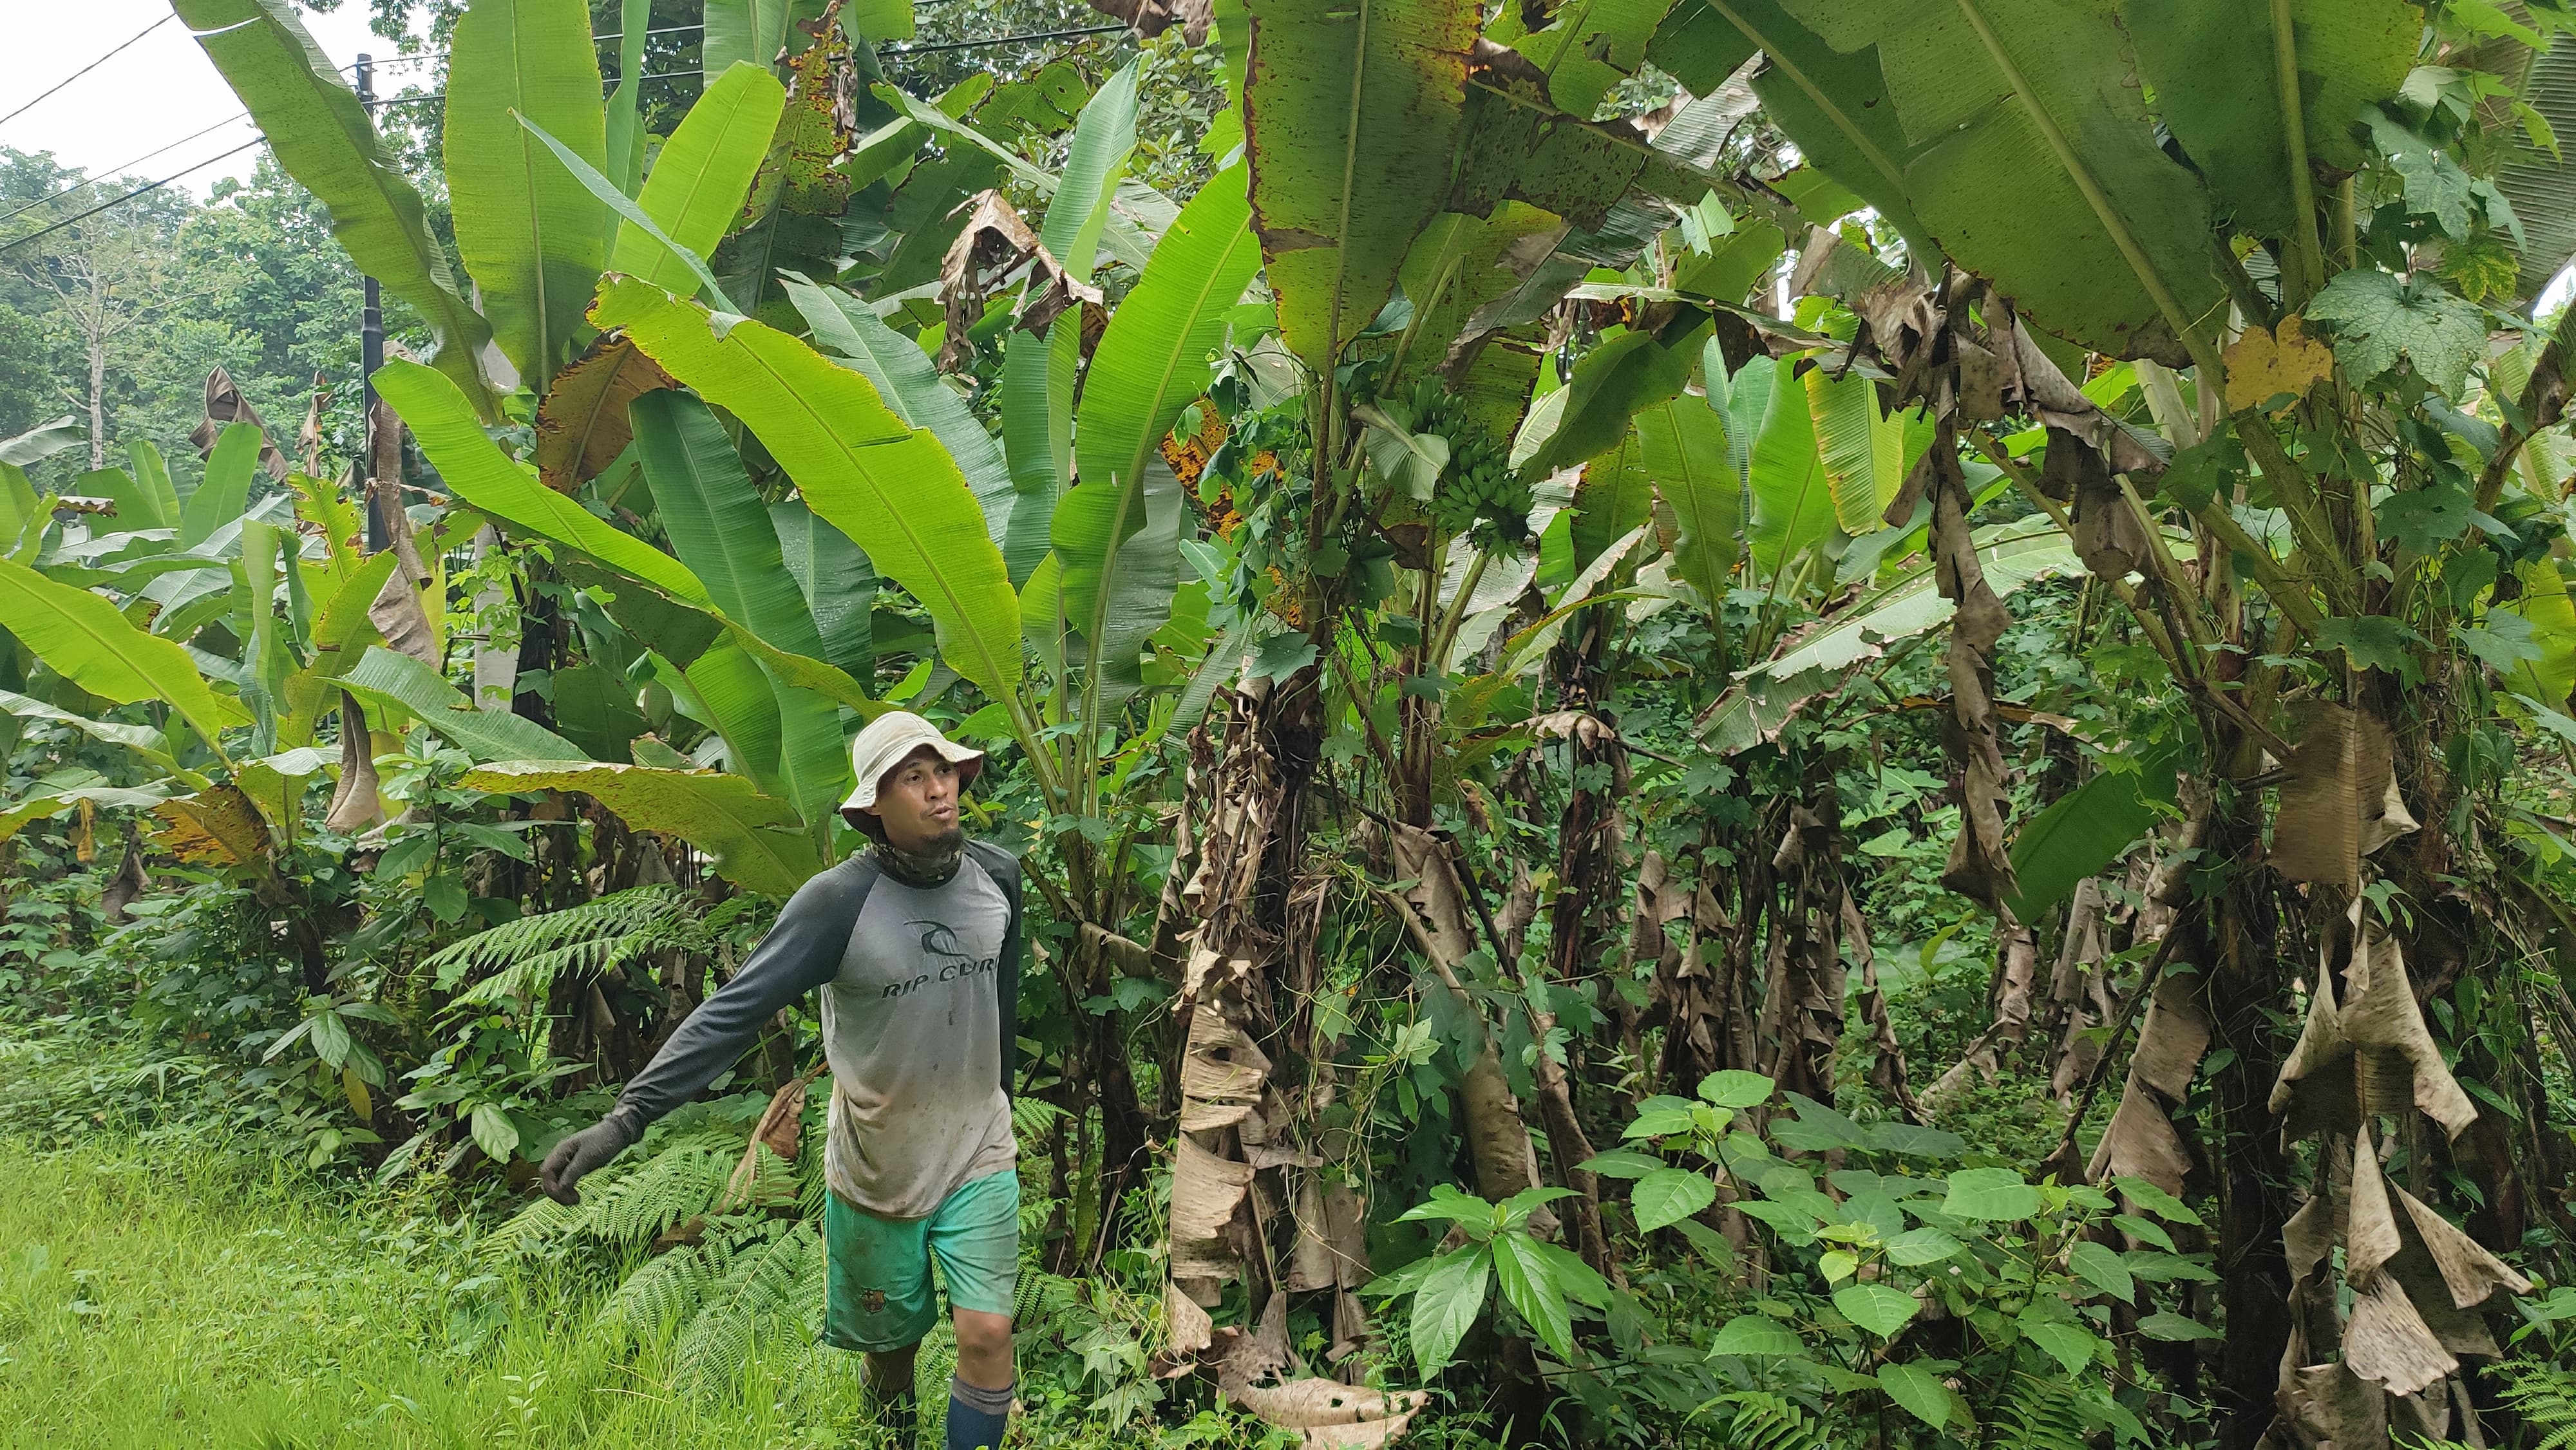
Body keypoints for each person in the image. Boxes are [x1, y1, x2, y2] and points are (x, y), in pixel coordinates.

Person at [542, 711, 1024, 1450]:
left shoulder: (999, 878)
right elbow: (733, 1012)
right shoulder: (836, 904)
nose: (939, 791)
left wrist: (1005, 1103)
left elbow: (1002, 1002)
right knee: (891, 1354)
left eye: (945, 771)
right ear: (874, 806)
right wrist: (624, 1119)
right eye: (913, 776)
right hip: (877, 1164)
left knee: (988, 1333)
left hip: (980, 1150)